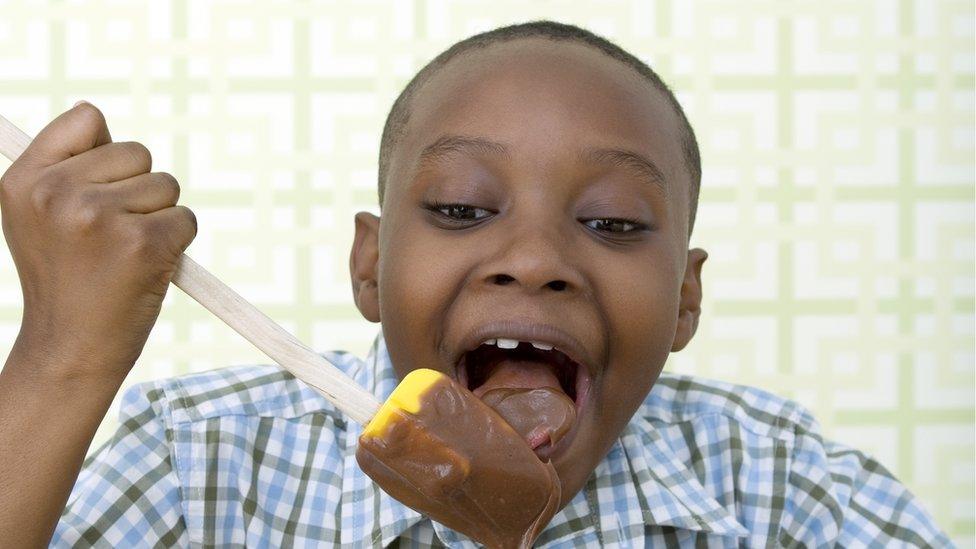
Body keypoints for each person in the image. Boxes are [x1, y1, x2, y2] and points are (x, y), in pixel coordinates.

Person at [0, 20, 953, 548]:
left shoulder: (779, 490)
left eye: (614, 222)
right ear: (370, 266)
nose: (533, 258)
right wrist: (62, 355)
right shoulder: (198, 466)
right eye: (461, 208)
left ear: (686, 301)